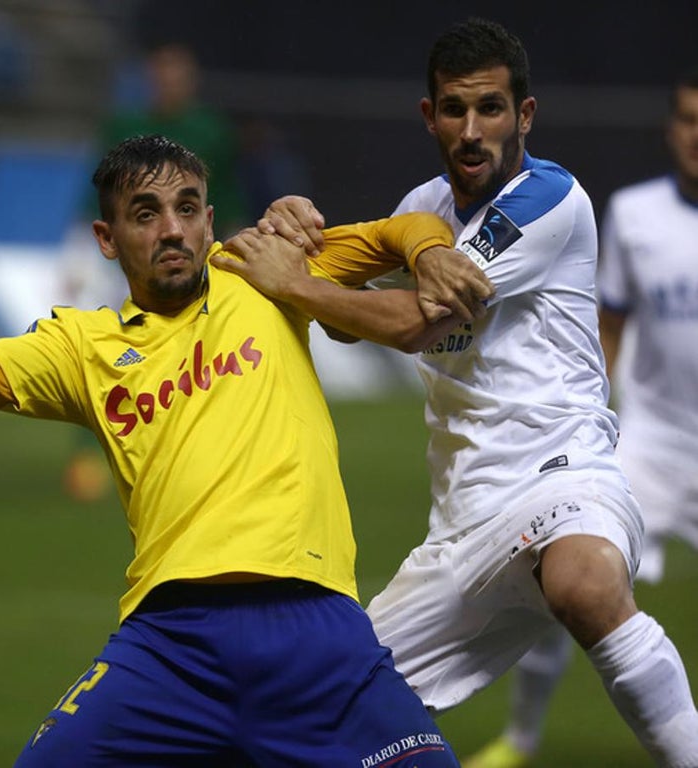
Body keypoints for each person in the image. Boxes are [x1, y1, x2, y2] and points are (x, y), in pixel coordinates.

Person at [0, 134, 481, 766]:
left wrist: (428, 256)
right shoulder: (83, 348)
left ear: (208, 220)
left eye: (187, 208)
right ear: (106, 240)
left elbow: (403, 229)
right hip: (170, 647)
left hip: (310, 630)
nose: (172, 229)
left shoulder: (260, 270)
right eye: (146, 214)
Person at [214, 18, 698, 767]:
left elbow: (410, 324)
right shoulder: (421, 210)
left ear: (524, 116)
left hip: (562, 474)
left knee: (583, 585)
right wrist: (294, 235)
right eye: (454, 110)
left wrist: (297, 282)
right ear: (428, 115)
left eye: (491, 109)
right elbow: (351, 322)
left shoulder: (550, 199)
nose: (472, 130)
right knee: (334, 705)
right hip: (462, 522)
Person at [462, 64, 698, 768]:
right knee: (563, 573)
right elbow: (610, 325)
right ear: (669, 128)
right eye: (687, 119)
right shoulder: (632, 214)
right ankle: (523, 741)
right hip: (649, 441)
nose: (697, 135)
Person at [60, 41, 250, 502]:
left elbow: (226, 196)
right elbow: (97, 193)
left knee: (200, 352)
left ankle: (192, 446)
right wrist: (75, 253)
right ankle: (92, 452)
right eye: (162, 74)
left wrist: (241, 256)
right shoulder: (125, 126)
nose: (169, 83)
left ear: (191, 81)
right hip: (125, 258)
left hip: (192, 256)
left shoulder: (211, 132)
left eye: (177, 75)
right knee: (107, 351)